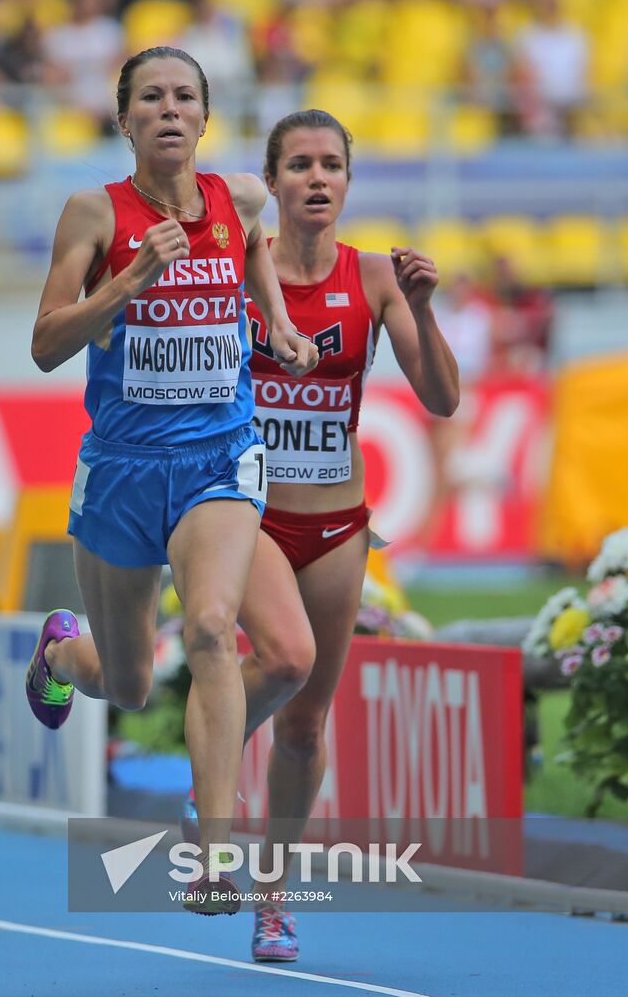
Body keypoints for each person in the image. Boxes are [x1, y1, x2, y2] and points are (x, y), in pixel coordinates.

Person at [24, 45, 317, 916]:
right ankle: (58, 651)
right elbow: (45, 346)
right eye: (150, 98)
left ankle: (211, 856)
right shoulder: (94, 211)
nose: (169, 110)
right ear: (124, 121)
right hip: (120, 469)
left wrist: (279, 324)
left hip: (216, 459)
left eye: (184, 97)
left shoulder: (241, 200)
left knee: (214, 628)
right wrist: (130, 280)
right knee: (126, 684)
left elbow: (255, 252)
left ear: (203, 116)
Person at [183, 109, 459, 959]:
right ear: (271, 181)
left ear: (346, 181)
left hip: (339, 523)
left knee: (304, 726)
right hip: (248, 510)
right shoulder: (233, 272)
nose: (315, 177)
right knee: (289, 657)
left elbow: (442, 399)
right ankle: (214, 782)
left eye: (330, 164)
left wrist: (420, 308)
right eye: (297, 164)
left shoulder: (374, 278)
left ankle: (273, 899)